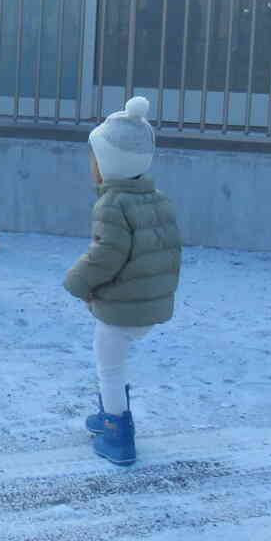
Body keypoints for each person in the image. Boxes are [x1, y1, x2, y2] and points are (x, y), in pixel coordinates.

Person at [64, 97, 180, 467]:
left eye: (94, 159)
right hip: (149, 302)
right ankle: (108, 412)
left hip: (121, 310)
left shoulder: (112, 205)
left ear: (108, 163)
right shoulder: (157, 198)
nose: (92, 167)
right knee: (114, 365)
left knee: (110, 369)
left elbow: (106, 255)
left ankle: (118, 432)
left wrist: (78, 283)